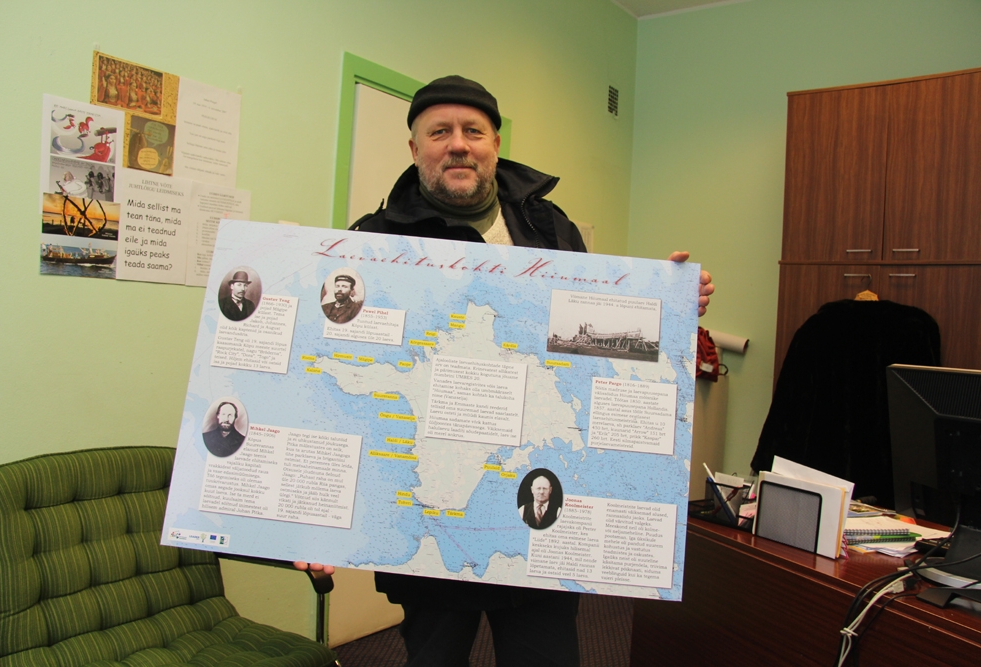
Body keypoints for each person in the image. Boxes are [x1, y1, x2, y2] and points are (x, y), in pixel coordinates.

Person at [296, 75, 714, 667]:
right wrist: (310, 519)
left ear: (495, 144)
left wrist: (665, 307)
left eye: (473, 131)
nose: (457, 144)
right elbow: (338, 381)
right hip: (433, 516)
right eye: (439, 132)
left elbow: (589, 341)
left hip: (537, 505)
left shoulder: (549, 228)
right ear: (414, 148)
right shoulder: (375, 242)